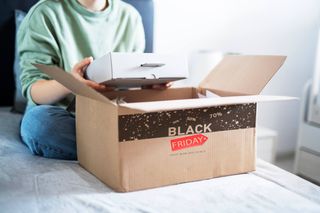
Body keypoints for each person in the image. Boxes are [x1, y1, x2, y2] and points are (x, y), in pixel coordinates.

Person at [18, 0, 166, 160]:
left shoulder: (130, 16)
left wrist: (147, 84)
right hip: (64, 115)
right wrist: (70, 83)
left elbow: (129, 84)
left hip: (109, 113)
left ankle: (118, 148)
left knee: (166, 111)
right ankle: (135, 149)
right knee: (38, 125)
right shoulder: (44, 12)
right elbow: (34, 90)